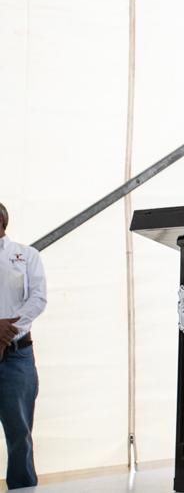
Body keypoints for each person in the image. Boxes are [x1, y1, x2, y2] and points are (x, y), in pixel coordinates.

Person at [0, 202, 46, 490]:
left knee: (19, 433)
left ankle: (22, 487)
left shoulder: (26, 256)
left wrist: (6, 333)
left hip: (17, 356)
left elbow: (37, 299)